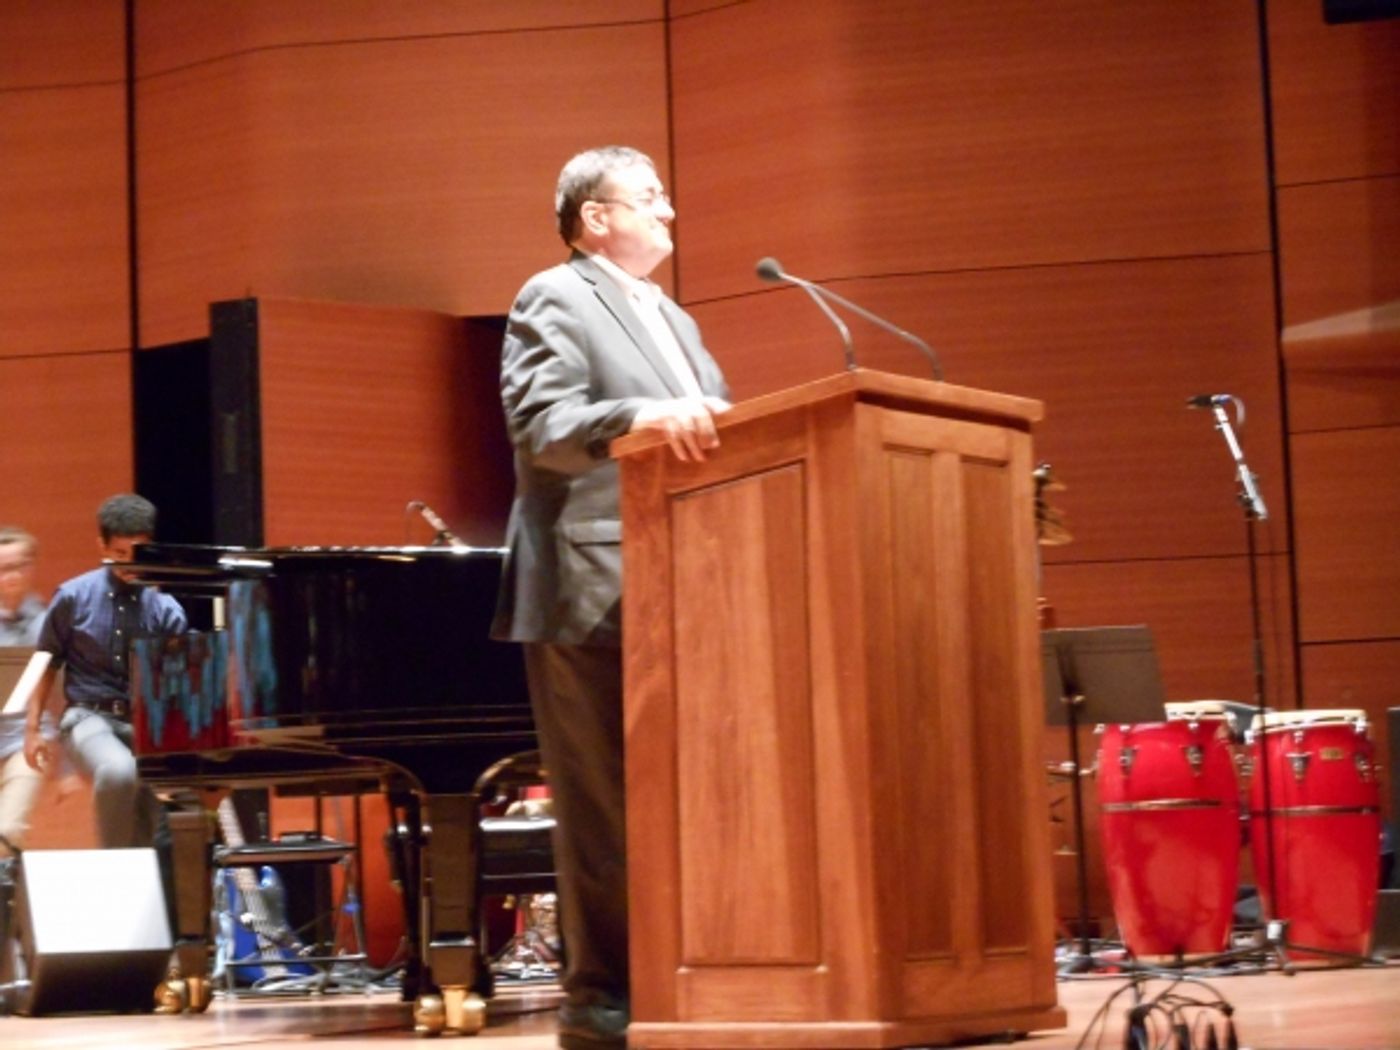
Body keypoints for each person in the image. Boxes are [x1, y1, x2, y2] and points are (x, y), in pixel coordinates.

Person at [492, 145, 730, 1050]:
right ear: (598, 217)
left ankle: (690, 980)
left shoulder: (673, 316)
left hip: (688, 583)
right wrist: (639, 415)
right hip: (589, 583)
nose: (670, 212)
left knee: (686, 803)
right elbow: (541, 425)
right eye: (652, 198)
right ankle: (601, 1005)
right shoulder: (553, 296)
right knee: (604, 811)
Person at [22, 494, 186, 850]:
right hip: (87, 720)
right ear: (102, 545)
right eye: (120, 554)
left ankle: (134, 888)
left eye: (138, 554)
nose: (129, 565)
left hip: (146, 727)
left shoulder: (166, 609)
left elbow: (177, 681)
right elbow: (46, 661)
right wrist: (32, 730)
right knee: (118, 771)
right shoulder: (72, 596)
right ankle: (112, 868)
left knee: (145, 836)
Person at [0, 526, 49, 856]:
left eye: (19, 565)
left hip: (26, 742)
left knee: (6, 831)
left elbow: (61, 696)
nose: (12, 575)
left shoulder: (48, 622)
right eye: (4, 568)